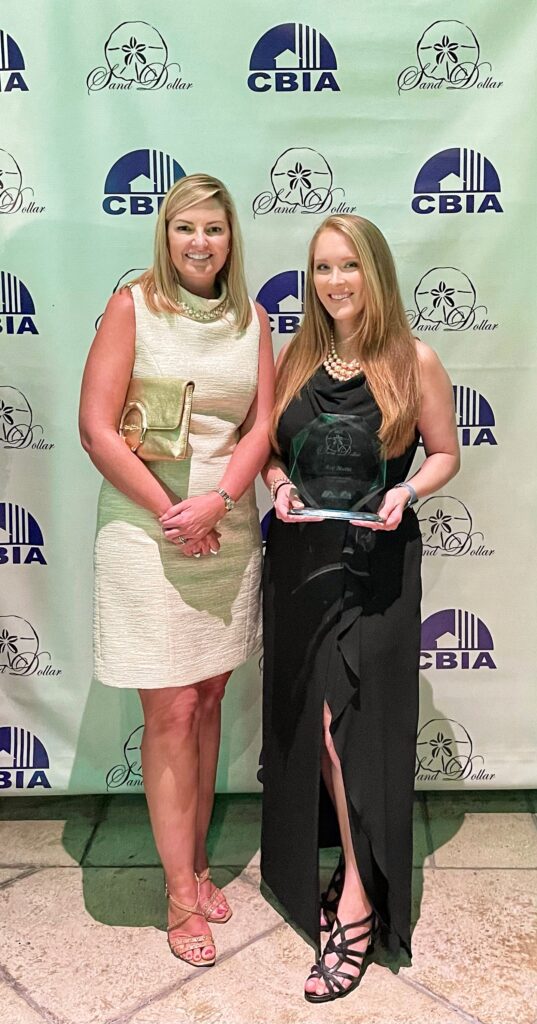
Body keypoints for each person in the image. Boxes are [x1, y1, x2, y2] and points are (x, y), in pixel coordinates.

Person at [261, 214, 459, 1003]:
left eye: (347, 266)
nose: (334, 282)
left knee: (354, 730)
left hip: (377, 564)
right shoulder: (294, 358)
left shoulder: (413, 360)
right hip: (301, 565)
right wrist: (277, 485)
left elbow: (444, 453)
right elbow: (271, 451)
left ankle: (357, 901)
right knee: (314, 725)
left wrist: (405, 490)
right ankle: (349, 861)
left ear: (373, 273)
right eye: (321, 268)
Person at [79, 173, 274, 967]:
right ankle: (178, 893)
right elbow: (97, 428)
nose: (200, 242)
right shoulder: (133, 306)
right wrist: (173, 511)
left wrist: (218, 502)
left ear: (231, 240)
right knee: (169, 710)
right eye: (185, 226)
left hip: (225, 533)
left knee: (209, 696)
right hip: (146, 533)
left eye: (214, 229)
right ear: (164, 234)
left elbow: (260, 425)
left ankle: (195, 862)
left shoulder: (252, 319)